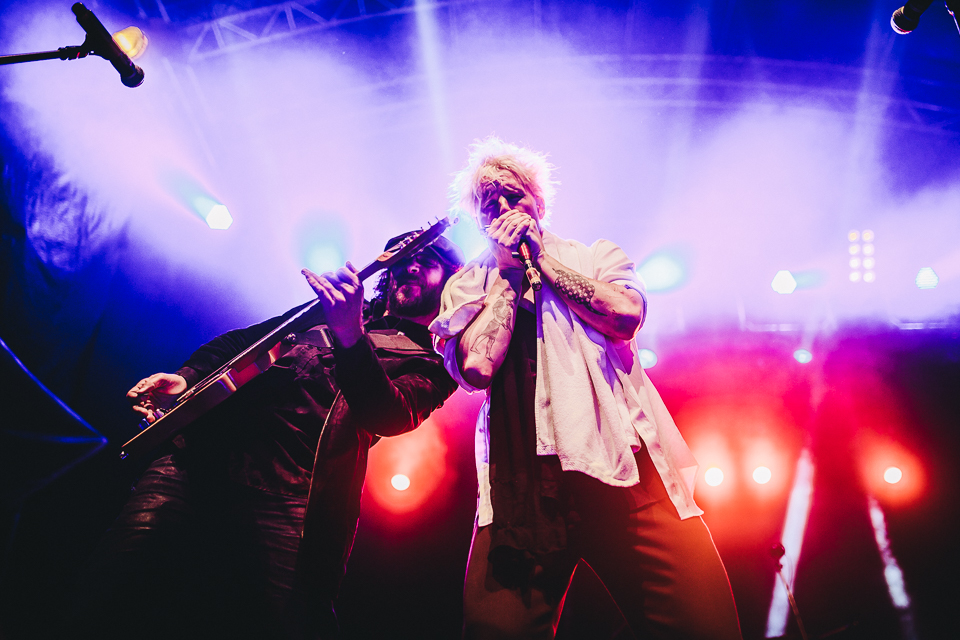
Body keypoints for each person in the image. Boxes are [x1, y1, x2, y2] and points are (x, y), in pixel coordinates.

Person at [72, 233, 464, 640]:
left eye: (427, 260)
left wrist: (351, 335)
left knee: (285, 623)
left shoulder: (438, 359)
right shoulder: (339, 309)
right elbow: (245, 342)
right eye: (405, 259)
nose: (410, 266)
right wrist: (186, 378)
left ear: (452, 278)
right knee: (106, 591)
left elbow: (389, 415)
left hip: (289, 494)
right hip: (200, 458)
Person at [430, 138, 742, 640]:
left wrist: (542, 263)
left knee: (705, 625)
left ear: (538, 201)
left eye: (514, 196)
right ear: (481, 222)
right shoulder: (468, 284)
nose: (504, 208)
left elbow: (625, 317)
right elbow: (477, 368)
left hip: (624, 469)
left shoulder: (595, 256)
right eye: (490, 204)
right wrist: (509, 275)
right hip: (522, 490)